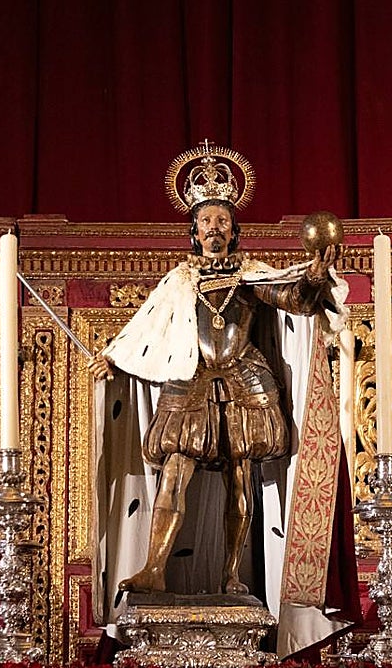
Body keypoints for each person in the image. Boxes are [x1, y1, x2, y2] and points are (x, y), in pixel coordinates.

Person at [90, 144, 350, 622]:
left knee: (240, 474)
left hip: (245, 379)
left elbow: (293, 298)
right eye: (206, 220)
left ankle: (233, 573)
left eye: (223, 220)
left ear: (234, 229)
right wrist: (114, 358)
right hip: (190, 379)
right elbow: (147, 329)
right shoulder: (178, 281)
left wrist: (314, 277)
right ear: (194, 231)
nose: (215, 228)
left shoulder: (252, 275)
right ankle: (154, 568)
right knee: (174, 470)